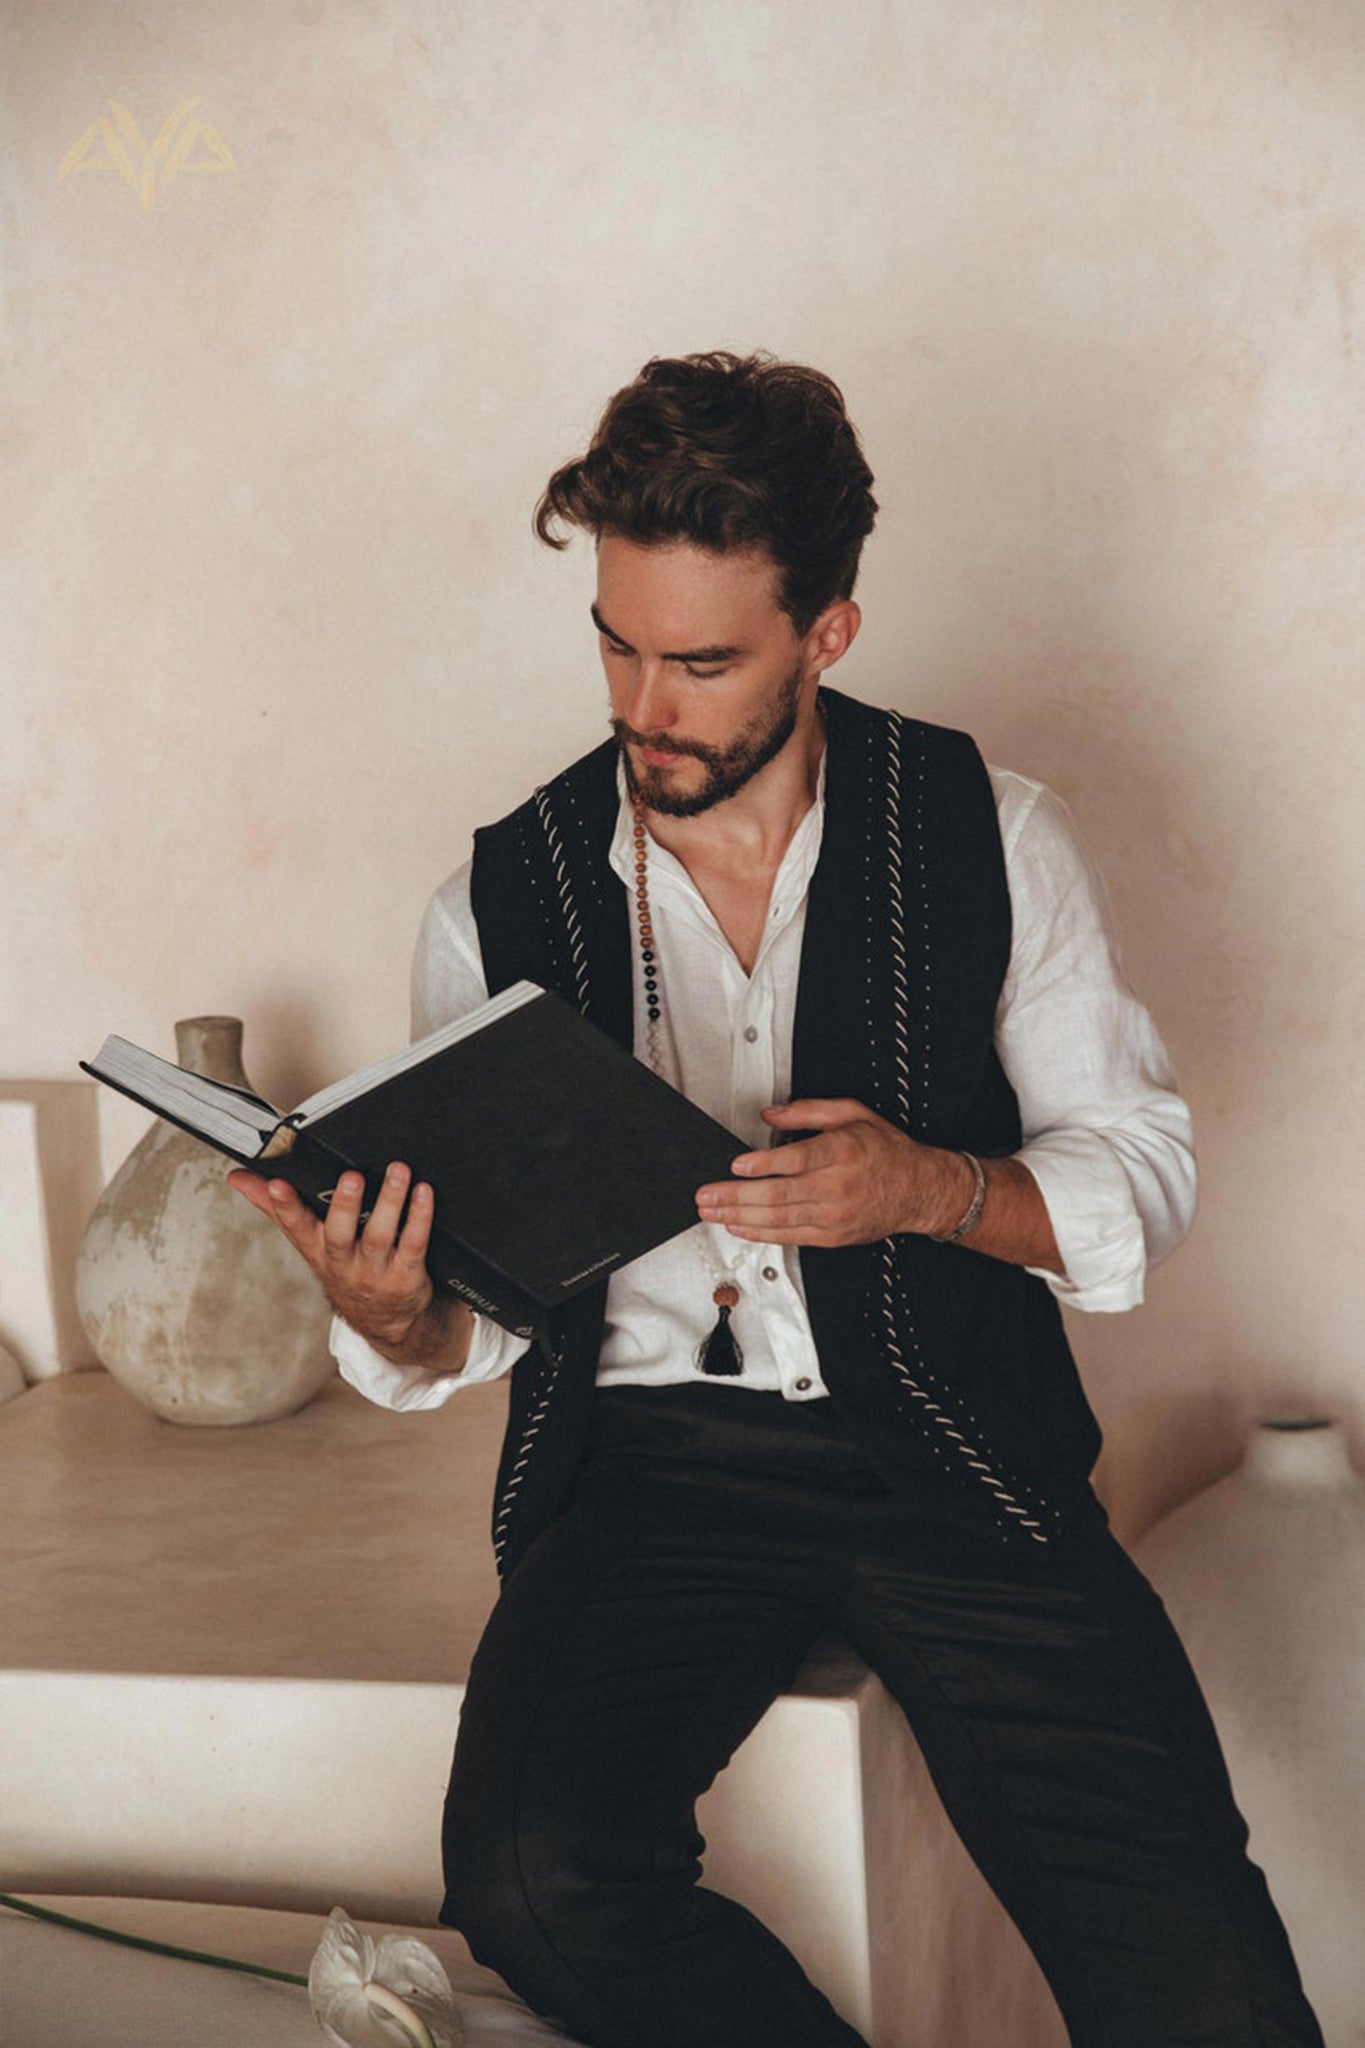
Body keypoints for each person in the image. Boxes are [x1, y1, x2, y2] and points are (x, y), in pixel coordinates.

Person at [231, 352, 1321, 2047]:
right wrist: (389, 1307)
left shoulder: (988, 831)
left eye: (703, 660)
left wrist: (933, 1188)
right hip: (645, 1469)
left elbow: (1139, 1173)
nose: (643, 705)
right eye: (615, 641)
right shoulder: (499, 893)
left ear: (826, 635)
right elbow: (472, 1302)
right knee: (528, 1877)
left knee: (1191, 1967)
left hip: (956, 1449)